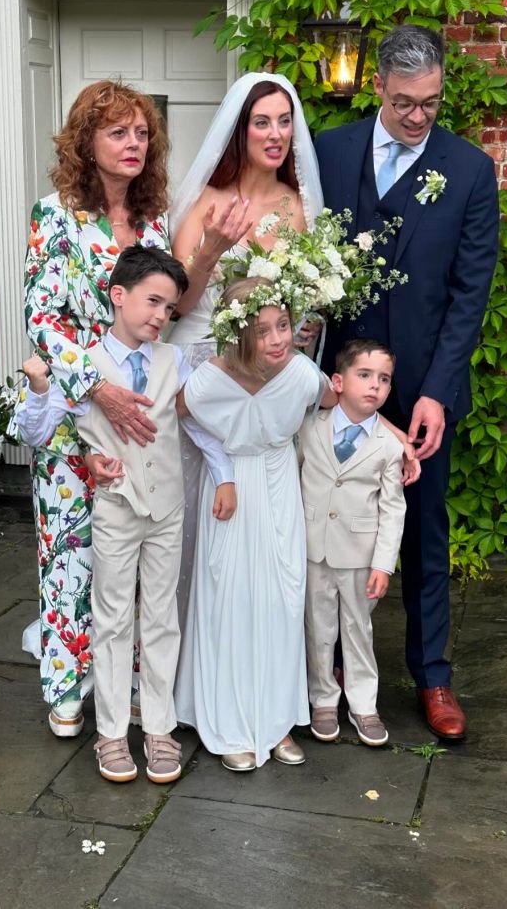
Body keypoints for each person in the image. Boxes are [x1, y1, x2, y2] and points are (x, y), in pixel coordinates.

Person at [314, 25, 500, 741]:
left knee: (423, 530)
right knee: (327, 524)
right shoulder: (329, 153)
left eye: (429, 102)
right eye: (404, 103)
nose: (419, 116)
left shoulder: (469, 170)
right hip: (336, 382)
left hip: (422, 385)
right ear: (377, 88)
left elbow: (468, 291)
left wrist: (436, 390)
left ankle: (432, 676)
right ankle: (322, 669)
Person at [14, 247, 236, 785]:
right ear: (118, 295)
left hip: (167, 509)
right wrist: (42, 389)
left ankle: (158, 727)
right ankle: (111, 734)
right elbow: (37, 433)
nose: (161, 316)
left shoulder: (173, 361)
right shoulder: (85, 366)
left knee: (162, 616)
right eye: (153, 301)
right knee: (112, 619)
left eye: (169, 307)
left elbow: (194, 421)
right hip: (115, 508)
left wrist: (224, 471)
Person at [20, 81, 170, 738]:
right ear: (86, 142)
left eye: (140, 132)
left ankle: (127, 680)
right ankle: (65, 684)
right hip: (72, 418)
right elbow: (42, 319)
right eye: (117, 132)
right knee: (69, 552)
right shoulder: (54, 216)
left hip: (134, 418)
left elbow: (166, 311)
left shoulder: (155, 223)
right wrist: (93, 382)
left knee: (132, 555)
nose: (132, 143)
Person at [166, 72, 325, 623]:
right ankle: (176, 649)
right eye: (263, 121)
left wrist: (306, 328)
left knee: (253, 518)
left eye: (285, 121)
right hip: (202, 365)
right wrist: (212, 247)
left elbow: (303, 300)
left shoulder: (297, 208)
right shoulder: (204, 201)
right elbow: (178, 306)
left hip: (266, 378)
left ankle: (239, 641)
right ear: (241, 130)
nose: (276, 133)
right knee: (193, 509)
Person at [174, 277, 337, 771]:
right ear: (239, 335)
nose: (277, 339)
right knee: (230, 597)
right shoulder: (209, 379)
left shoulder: (304, 375)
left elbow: (338, 400)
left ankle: (279, 720)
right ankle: (228, 724)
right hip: (232, 490)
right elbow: (182, 413)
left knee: (281, 599)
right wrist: (221, 470)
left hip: (280, 484)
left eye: (283, 325)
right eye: (263, 330)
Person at [298, 339, 408, 748]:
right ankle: (323, 699)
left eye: (384, 380)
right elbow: (293, 478)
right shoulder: (310, 427)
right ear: (339, 382)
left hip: (360, 556)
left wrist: (383, 564)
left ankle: (364, 705)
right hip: (312, 548)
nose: (375, 386)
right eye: (365, 375)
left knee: (358, 631)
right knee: (318, 628)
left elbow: (393, 509)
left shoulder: (388, 445)